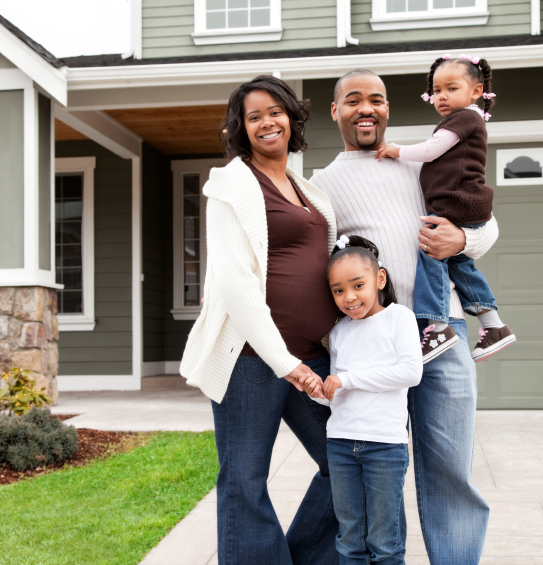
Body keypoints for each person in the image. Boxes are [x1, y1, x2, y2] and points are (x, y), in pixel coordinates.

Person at [310, 69, 492, 565]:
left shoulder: (423, 161)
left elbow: (484, 220)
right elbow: (315, 265)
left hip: (440, 334)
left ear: (389, 108)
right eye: (353, 100)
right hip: (372, 345)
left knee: (449, 471)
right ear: (336, 111)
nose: (366, 109)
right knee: (371, 467)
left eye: (377, 100)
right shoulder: (322, 185)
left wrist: (464, 240)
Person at [180, 75, 339, 565]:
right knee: (244, 481)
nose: (267, 122)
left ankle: (303, 556)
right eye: (254, 117)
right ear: (241, 129)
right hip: (251, 361)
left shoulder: (307, 188)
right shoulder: (232, 183)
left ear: (292, 118)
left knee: (349, 461)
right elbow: (234, 279)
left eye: (275, 112)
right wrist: (284, 362)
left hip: (311, 355)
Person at [374, 54, 516, 364]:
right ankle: (494, 325)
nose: (442, 96)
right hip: (463, 203)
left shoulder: (465, 117)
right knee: (460, 264)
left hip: (458, 202)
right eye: (437, 90)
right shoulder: (463, 119)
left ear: (476, 91)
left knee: (431, 253)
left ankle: (438, 327)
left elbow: (430, 150)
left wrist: (395, 150)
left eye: (451, 88)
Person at [307, 235, 422, 565]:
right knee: (349, 539)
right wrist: (321, 392)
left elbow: (410, 372)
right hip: (341, 444)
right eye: (338, 290)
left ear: (379, 279)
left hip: (385, 446)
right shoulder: (340, 331)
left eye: (358, 285)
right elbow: (340, 393)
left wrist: (348, 379)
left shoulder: (399, 318)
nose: (349, 297)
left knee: (384, 542)